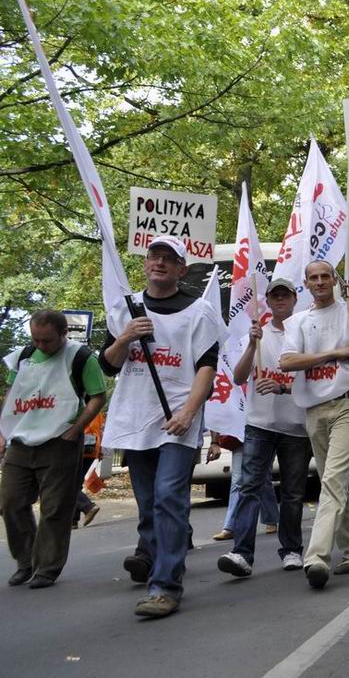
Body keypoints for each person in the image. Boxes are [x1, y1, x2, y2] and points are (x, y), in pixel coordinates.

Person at [100, 235, 222, 617]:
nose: (160, 262)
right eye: (154, 256)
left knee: (169, 496)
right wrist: (126, 336)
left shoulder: (199, 312)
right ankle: (155, 553)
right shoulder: (125, 309)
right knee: (149, 502)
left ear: (181, 269)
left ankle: (165, 586)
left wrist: (188, 412)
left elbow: (207, 367)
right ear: (145, 263)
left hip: (176, 422)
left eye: (169, 258)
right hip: (135, 421)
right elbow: (108, 365)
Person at [279, 260, 349, 589]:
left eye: (325, 276)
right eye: (313, 278)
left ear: (335, 280)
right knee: (335, 482)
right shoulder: (298, 321)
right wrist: (334, 353)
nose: (320, 282)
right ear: (306, 283)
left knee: (332, 480)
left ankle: (317, 557)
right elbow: (287, 361)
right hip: (314, 410)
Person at [215, 277, 314, 578]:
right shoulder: (256, 334)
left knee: (293, 493)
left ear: (295, 299)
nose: (280, 300)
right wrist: (252, 345)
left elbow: (315, 380)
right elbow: (238, 377)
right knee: (249, 487)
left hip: (296, 427)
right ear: (268, 301)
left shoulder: (305, 335)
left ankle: (292, 549)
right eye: (275, 296)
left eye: (285, 295)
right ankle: (242, 553)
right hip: (259, 424)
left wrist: (283, 388)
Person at [1, 309, 106, 589]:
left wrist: (76, 429)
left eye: (46, 340)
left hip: (60, 442)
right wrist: (3, 430)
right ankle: (25, 561)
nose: (40, 345)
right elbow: (12, 395)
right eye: (35, 339)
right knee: (11, 502)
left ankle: (47, 567)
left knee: (55, 507)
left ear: (63, 334)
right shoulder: (24, 357)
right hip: (21, 440)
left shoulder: (81, 357)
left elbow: (97, 397)